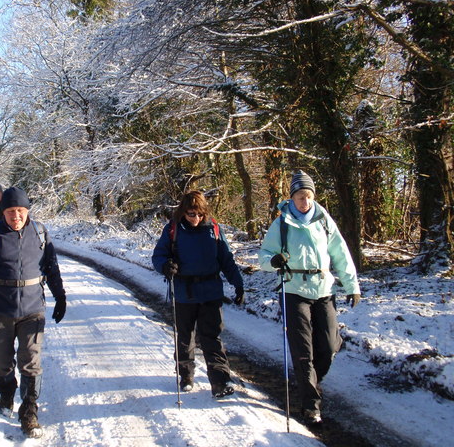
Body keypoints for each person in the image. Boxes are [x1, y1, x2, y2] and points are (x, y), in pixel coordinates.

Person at [258, 170, 360, 426]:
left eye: (308, 195)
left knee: (327, 347)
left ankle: (311, 382)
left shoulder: (324, 220)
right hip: (294, 291)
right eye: (300, 196)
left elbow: (341, 254)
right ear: (291, 197)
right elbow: (263, 258)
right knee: (303, 351)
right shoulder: (281, 223)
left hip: (324, 289)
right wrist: (274, 261)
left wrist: (352, 286)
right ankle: (310, 405)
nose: (305, 201)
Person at [0, 186, 67, 438]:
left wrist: (61, 296)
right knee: (2, 361)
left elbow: (52, 268)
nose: (16, 216)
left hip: (33, 309)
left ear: (27, 210)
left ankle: (29, 412)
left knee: (30, 361)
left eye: (20, 211)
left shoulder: (40, 233)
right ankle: (7, 389)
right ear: (3, 212)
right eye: (11, 211)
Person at [152, 191, 245, 398]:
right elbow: (158, 256)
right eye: (191, 214)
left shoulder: (214, 229)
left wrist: (238, 284)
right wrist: (166, 265)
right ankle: (186, 375)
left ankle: (220, 382)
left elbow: (226, 260)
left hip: (211, 291)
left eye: (199, 214)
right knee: (185, 336)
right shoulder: (173, 230)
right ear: (183, 212)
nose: (195, 219)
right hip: (184, 292)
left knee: (212, 337)